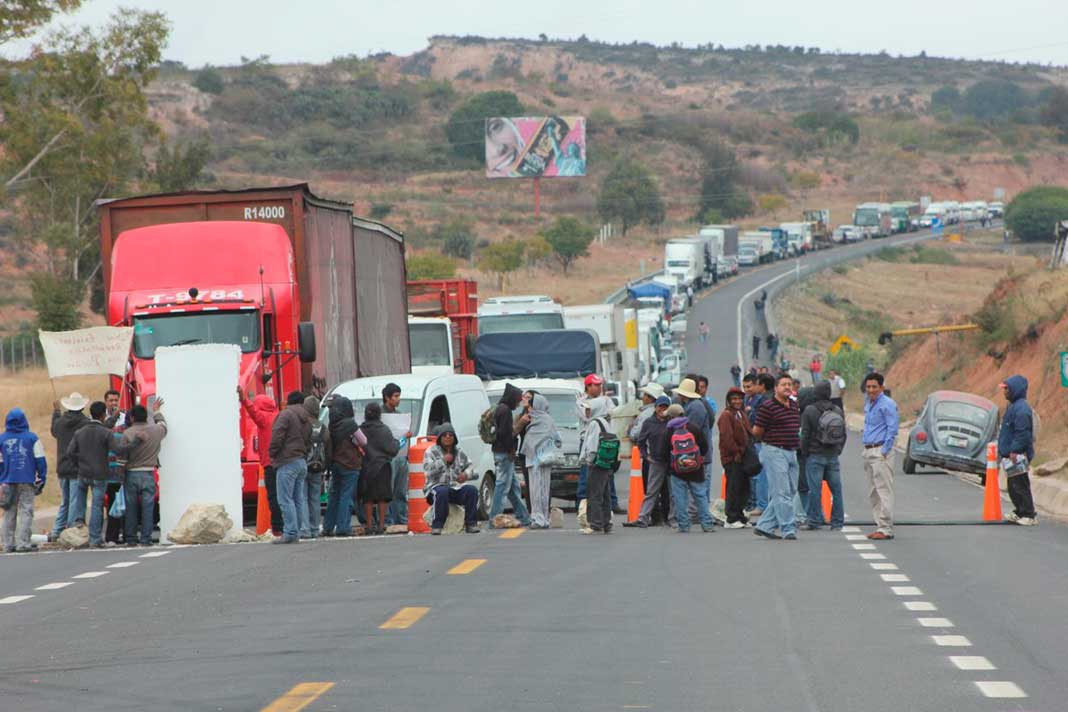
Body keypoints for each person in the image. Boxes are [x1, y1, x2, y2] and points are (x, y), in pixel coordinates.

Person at [752, 374, 802, 541]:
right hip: (774, 451)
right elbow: (757, 431)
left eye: (789, 384)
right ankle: (788, 528)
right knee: (781, 492)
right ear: (775, 388)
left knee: (791, 490)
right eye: (783, 385)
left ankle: (764, 525)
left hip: (791, 451)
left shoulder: (794, 405)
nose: (787, 387)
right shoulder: (768, 407)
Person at [115, 401, 167, 547]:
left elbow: (122, 457)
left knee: (131, 508)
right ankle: (146, 538)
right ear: (146, 417)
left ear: (131, 418)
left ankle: (131, 538)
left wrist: (120, 475)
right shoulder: (157, 430)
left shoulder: (128, 433)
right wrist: (156, 411)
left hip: (131, 474)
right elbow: (163, 425)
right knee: (148, 507)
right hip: (149, 473)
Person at [66, 401, 114, 548]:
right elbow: (117, 449)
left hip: (83, 472)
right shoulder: (106, 432)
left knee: (80, 500)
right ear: (103, 415)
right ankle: (95, 539)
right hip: (99, 474)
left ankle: (79, 524)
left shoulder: (80, 432)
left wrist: (78, 464)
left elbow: (69, 452)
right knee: (96, 506)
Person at [800, 380, 846, 531]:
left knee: (815, 490)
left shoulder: (809, 410)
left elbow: (805, 435)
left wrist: (804, 452)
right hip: (833, 455)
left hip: (815, 455)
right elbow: (843, 434)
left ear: (815, 393)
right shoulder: (837, 410)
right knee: (836, 490)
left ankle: (814, 520)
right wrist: (838, 450)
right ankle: (837, 522)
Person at [1, 408, 47, 553]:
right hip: (27, 479)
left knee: (9, 512)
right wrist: (42, 478)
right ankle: (23, 543)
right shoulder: (32, 438)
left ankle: (7, 544)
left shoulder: (1, 439)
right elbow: (40, 460)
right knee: (26, 511)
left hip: (7, 481)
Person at [269, 391, 312, 544]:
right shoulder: (307, 418)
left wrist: (272, 453)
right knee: (298, 499)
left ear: (289, 401)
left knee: (285, 499)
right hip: (301, 461)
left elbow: (277, 436)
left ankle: (290, 532)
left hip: (287, 461)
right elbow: (309, 439)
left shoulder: (286, 415)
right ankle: (296, 532)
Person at [664, 404, 714, 533]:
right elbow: (704, 446)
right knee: (700, 495)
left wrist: (670, 465)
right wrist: (698, 458)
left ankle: (684, 525)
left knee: (680, 498)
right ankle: (707, 524)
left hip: (677, 470)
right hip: (695, 469)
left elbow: (664, 451)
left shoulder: (669, 430)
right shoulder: (693, 428)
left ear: (671, 416)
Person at [423, 423, 481, 534]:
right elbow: (427, 471)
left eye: (451, 435)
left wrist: (466, 474)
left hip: (455, 487)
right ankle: (437, 525)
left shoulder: (459, 452)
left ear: (454, 438)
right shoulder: (431, 451)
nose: (448, 437)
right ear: (440, 438)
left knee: (472, 490)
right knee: (442, 491)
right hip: (435, 487)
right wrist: (442, 461)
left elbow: (470, 466)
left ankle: (471, 524)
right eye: (444, 435)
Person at [239, 388, 282, 535]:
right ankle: (289, 526)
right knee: (286, 496)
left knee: (273, 497)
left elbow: (253, 412)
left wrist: (243, 399)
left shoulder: (263, 418)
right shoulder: (279, 416)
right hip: (283, 462)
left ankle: (277, 529)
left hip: (270, 463)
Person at [576, 374, 621, 514]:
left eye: (600, 384)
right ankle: (582, 503)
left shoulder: (607, 400)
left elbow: (613, 413)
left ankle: (612, 503)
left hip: (605, 439)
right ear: (588, 386)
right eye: (596, 385)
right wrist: (601, 407)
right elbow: (587, 415)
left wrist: (600, 406)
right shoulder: (581, 401)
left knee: (608, 471)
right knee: (586, 472)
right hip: (588, 440)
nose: (599, 387)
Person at [862, 372, 899, 540]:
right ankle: (880, 526)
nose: (870, 390)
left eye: (874, 387)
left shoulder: (887, 404)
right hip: (868, 450)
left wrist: (884, 451)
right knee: (873, 491)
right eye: (868, 387)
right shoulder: (869, 403)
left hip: (880, 451)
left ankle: (886, 528)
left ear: (881, 387)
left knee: (884, 489)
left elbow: (892, 429)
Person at [489, 384, 532, 527]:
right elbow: (505, 434)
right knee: (502, 487)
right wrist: (511, 451)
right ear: (512, 398)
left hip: (500, 451)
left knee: (514, 488)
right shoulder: (505, 411)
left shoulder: (499, 408)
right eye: (517, 400)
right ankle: (494, 519)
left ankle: (524, 517)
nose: (518, 403)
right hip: (504, 453)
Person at [626, 395, 672, 528]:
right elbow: (640, 442)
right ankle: (643, 518)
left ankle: (673, 518)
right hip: (656, 462)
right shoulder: (649, 422)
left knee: (672, 492)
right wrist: (647, 456)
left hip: (671, 462)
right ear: (656, 407)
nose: (662, 409)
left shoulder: (672, 421)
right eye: (660, 406)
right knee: (652, 491)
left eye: (665, 407)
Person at [49, 392, 89, 542]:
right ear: (82, 406)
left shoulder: (60, 422)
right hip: (76, 467)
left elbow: (53, 430)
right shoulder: (85, 423)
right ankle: (70, 530)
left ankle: (56, 530)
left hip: (62, 465)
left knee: (65, 501)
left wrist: (56, 412)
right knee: (74, 500)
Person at [997, 375, 1037, 526]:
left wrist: (1015, 450)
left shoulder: (1021, 409)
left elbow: (1023, 433)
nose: (1004, 391)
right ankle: (1019, 511)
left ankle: (1029, 514)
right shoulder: (1013, 406)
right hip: (1010, 455)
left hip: (1018, 455)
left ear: (1015, 389)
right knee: (1013, 486)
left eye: (1006, 388)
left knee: (1020, 485)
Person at [677, 376, 715, 527]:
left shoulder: (695, 407)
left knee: (698, 488)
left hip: (697, 452)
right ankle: (698, 516)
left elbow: (693, 430)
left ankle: (700, 517)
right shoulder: (694, 405)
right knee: (697, 487)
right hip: (697, 452)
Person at [322, 396, 362, 537]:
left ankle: (327, 526)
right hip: (350, 464)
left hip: (335, 464)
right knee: (346, 496)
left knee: (334, 496)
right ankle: (343, 527)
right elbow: (363, 440)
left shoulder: (332, 425)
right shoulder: (350, 424)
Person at [519, 393, 561, 529]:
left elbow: (553, 437)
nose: (528, 406)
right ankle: (543, 519)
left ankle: (539, 519)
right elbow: (557, 439)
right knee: (540, 489)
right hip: (538, 458)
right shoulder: (533, 418)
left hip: (538, 458)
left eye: (530, 402)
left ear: (536, 405)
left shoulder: (541, 419)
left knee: (537, 489)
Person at [359, 402, 400, 535]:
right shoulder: (384, 430)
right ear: (379, 414)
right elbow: (393, 449)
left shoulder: (361, 429)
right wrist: (399, 442)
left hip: (365, 466)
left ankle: (369, 525)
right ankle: (381, 525)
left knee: (368, 497)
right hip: (382, 466)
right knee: (383, 497)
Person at [579, 396, 616, 534]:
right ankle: (606, 522)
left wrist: (589, 460)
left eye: (589, 409)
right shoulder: (605, 422)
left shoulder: (595, 423)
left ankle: (595, 523)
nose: (587, 412)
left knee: (594, 494)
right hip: (605, 462)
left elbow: (593, 445)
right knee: (605, 494)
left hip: (596, 463)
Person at [718, 388, 753, 528]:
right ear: (729, 400)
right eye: (734, 399)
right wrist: (737, 452)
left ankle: (739, 515)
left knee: (743, 487)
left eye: (739, 398)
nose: (737, 401)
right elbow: (727, 438)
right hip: (732, 458)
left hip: (743, 457)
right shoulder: (726, 415)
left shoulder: (741, 413)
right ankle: (731, 518)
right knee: (733, 487)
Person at [382, 383, 411, 528]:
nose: (398, 399)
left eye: (399, 395)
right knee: (388, 490)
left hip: (401, 455)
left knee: (400, 490)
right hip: (388, 457)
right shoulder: (382, 416)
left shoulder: (399, 415)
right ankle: (388, 519)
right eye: (395, 396)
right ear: (387, 397)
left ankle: (402, 518)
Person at [302, 396, 330, 539]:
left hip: (303, 465)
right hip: (318, 466)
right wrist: (327, 466)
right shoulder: (321, 426)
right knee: (315, 499)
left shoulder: (302, 424)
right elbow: (327, 444)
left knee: (303, 498)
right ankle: (314, 528)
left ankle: (305, 529)